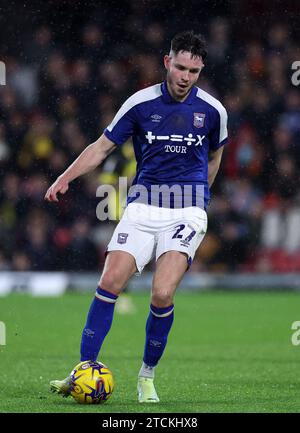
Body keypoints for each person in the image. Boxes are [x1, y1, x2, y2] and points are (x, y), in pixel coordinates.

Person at [45, 30, 228, 403]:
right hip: (143, 205)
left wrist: (200, 201)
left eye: (193, 71)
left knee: (161, 293)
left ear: (201, 69)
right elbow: (100, 148)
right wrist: (65, 177)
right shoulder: (140, 104)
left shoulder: (213, 111)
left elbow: (215, 156)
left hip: (187, 209)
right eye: (180, 67)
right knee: (110, 280)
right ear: (167, 62)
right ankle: (83, 371)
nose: (185, 77)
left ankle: (146, 376)